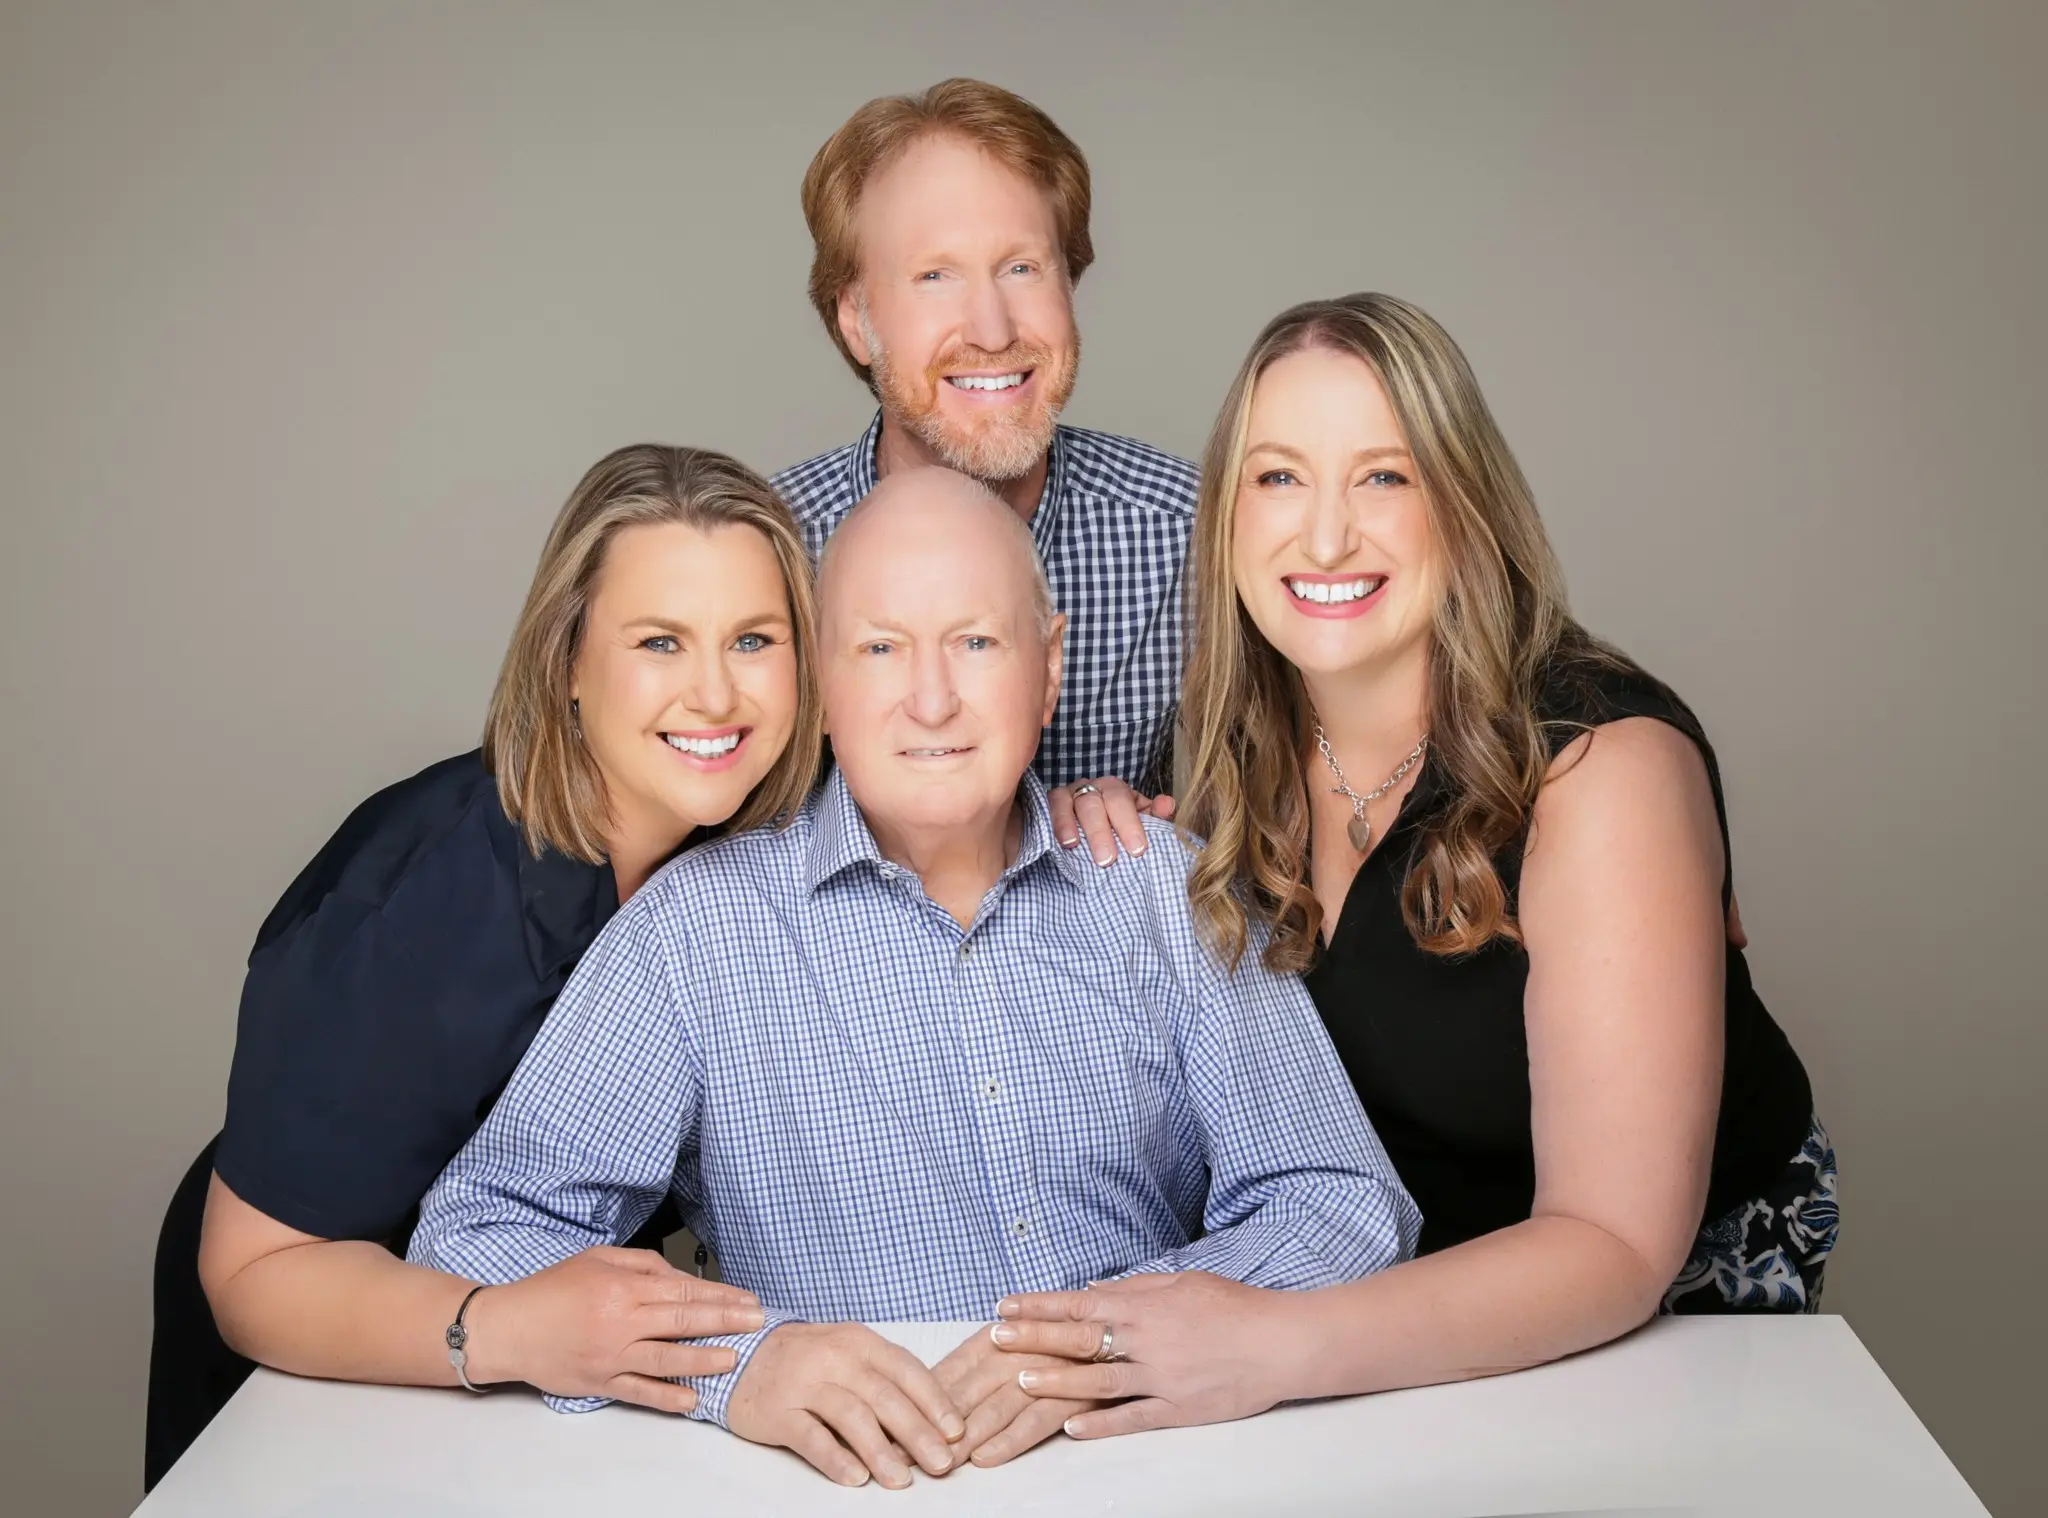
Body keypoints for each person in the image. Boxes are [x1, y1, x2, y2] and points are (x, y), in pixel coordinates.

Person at [408, 466, 1418, 1489]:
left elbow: (1340, 1200)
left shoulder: (1161, 889)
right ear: (821, 684)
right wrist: (740, 1364)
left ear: (1049, 669)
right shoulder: (694, 934)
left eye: (975, 643)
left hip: (1161, 1472)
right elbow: (477, 1234)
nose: (931, 701)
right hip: (842, 1491)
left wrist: (1114, 1334)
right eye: (881, 648)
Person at [991, 294, 1838, 1435]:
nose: (1325, 538)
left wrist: (1268, 1346)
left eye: (1383, 477)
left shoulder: (1603, 770)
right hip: (1376, 1303)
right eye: (1278, 478)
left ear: (1464, 502)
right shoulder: (1229, 740)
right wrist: (1090, 826)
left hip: (1665, 1321)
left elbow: (1617, 1241)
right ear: (1227, 514)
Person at [145, 446, 821, 1486]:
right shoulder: (415, 898)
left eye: (753, 640)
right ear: (567, 663)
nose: (715, 693)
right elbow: (253, 1275)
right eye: (659, 641)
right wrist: (507, 1328)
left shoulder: (768, 834)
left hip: (553, 1368)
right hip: (322, 1336)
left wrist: (1076, 807)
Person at [772, 77, 1197, 812]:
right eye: (935, 276)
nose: (993, 332)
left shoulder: (1191, 535)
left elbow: (1279, 811)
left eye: (1022, 268)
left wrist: (1153, 835)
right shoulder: (770, 553)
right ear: (855, 321)